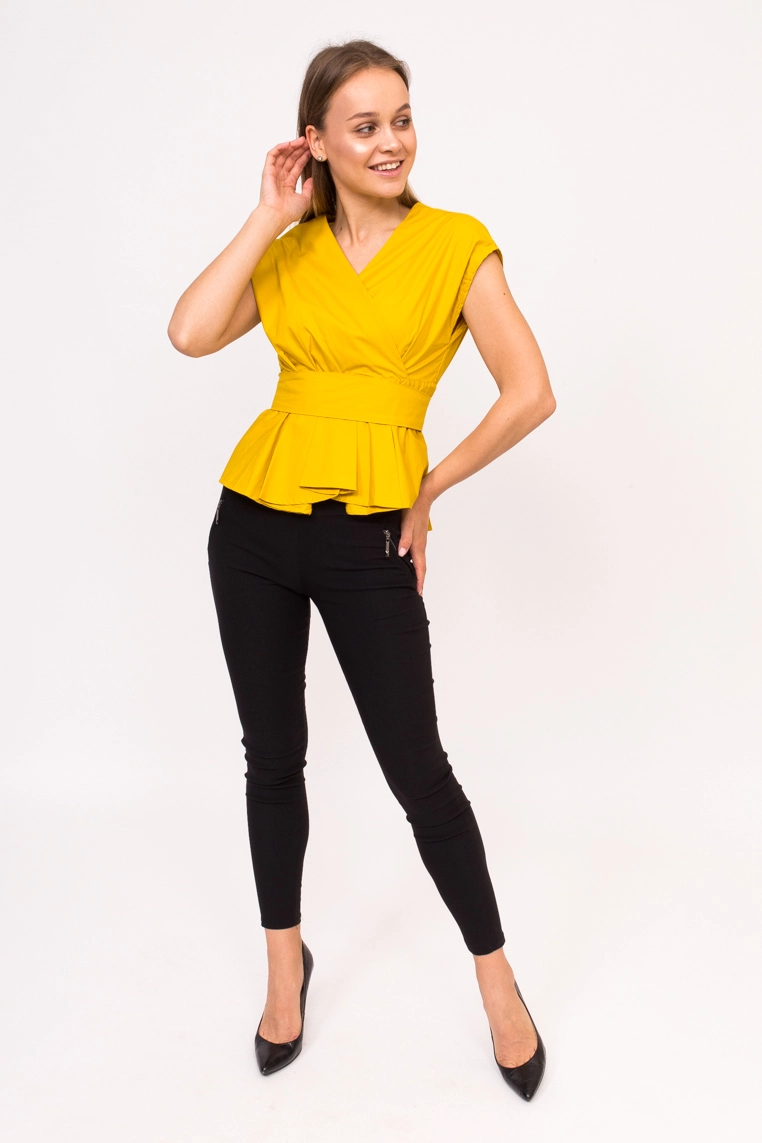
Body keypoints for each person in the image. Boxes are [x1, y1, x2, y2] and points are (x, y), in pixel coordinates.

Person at [168, 39, 556, 1101]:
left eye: (402, 119)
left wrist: (428, 490)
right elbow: (189, 332)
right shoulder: (289, 251)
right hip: (253, 524)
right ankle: (283, 967)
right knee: (272, 756)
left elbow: (530, 391)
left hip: (368, 533)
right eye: (366, 126)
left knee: (418, 772)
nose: (392, 142)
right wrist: (267, 215)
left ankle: (497, 979)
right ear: (318, 143)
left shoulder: (455, 245)